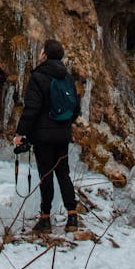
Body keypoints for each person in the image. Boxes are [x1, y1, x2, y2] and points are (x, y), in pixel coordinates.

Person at [13, 38, 81, 232]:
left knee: (46, 175)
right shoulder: (67, 77)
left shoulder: (39, 76)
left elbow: (31, 109)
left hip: (42, 136)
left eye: (42, 50)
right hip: (62, 135)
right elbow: (75, 107)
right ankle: (72, 217)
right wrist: (65, 124)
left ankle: (45, 219)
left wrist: (20, 133)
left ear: (45, 54)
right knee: (63, 173)